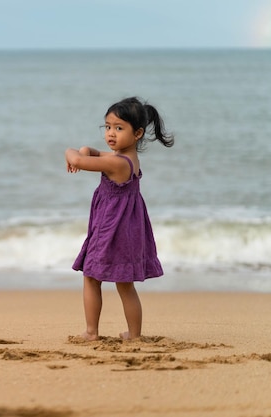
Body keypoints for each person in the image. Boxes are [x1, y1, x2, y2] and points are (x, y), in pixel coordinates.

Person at [64, 97, 174, 341]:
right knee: (125, 285)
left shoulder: (116, 162)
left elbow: (79, 160)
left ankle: (91, 332)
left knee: (91, 277)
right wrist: (84, 150)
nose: (111, 134)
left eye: (119, 128)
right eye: (108, 127)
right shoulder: (127, 158)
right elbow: (91, 154)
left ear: (137, 133)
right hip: (128, 229)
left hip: (110, 228)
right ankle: (134, 335)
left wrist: (69, 152)